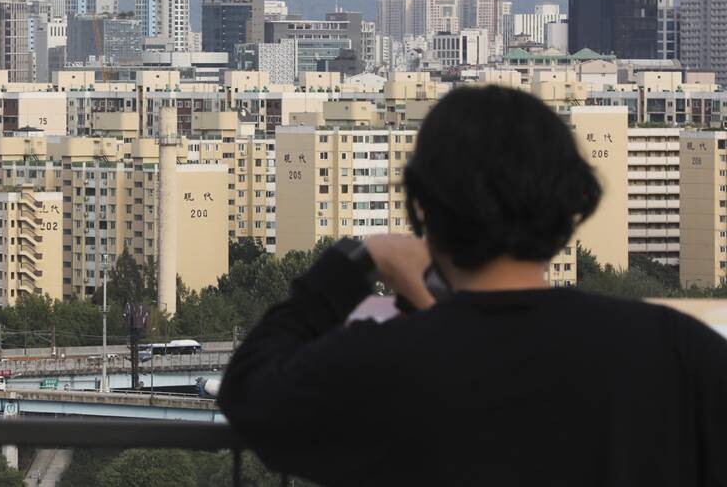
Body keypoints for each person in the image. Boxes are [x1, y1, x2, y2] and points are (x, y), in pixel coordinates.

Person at [218, 85, 727, 486]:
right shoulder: (674, 350)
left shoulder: (382, 362)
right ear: (572, 203)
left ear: (424, 208)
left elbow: (250, 390)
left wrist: (355, 262)